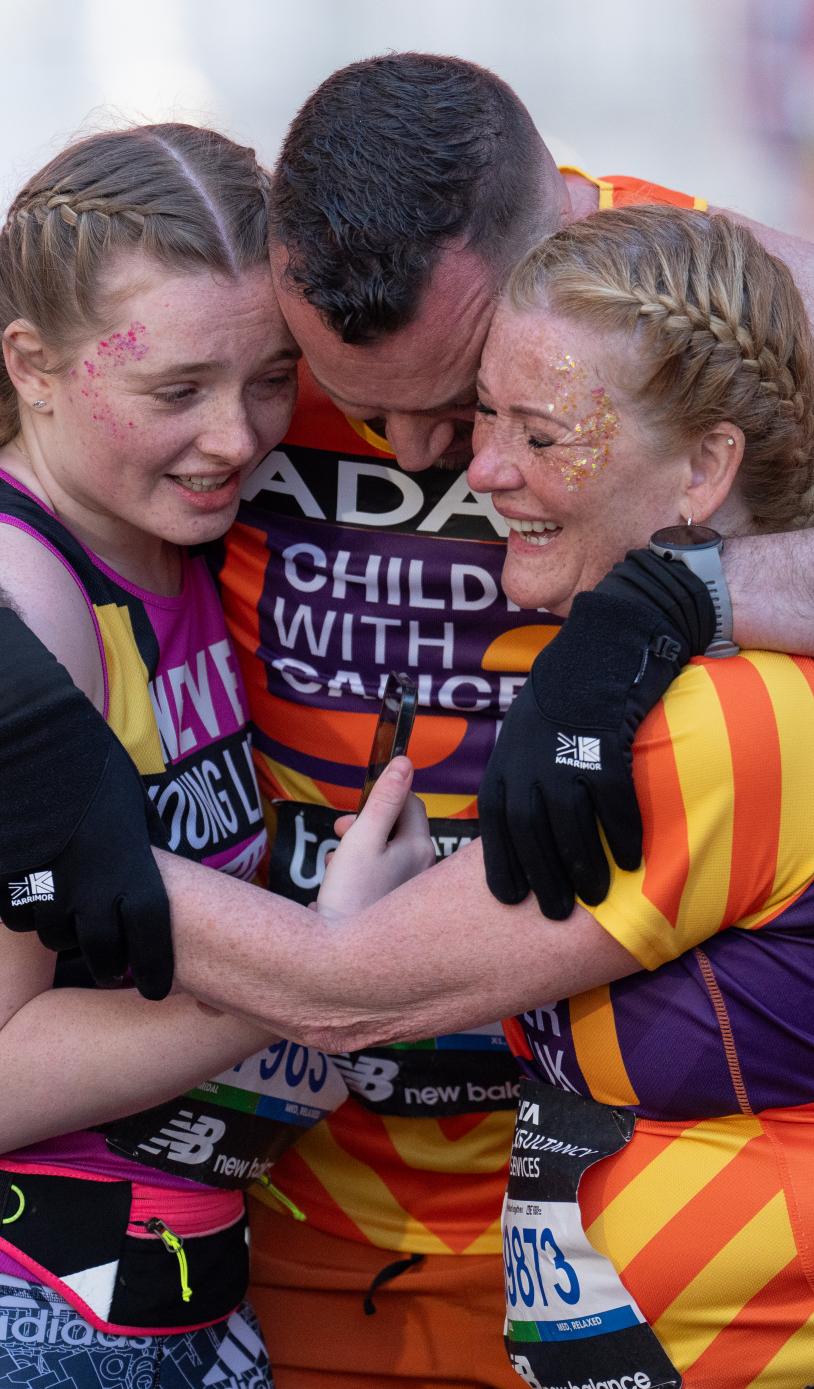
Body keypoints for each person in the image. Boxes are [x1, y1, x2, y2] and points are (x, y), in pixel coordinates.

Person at [148, 202, 814, 1387]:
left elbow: (339, 994)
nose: (476, 469)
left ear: (707, 468)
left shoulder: (731, 719)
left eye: (542, 434)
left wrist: (58, 831)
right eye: (486, 414)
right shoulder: (696, 678)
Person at [0, 122, 329, 1387]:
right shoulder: (33, 595)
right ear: (31, 363)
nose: (239, 439)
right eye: (177, 390)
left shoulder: (181, 537)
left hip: (173, 1291)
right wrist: (323, 974)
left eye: (271, 377)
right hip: (45, 1308)